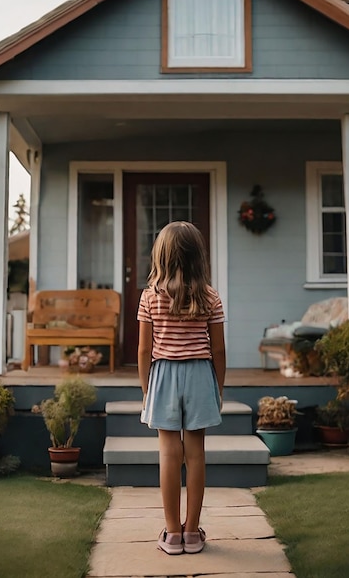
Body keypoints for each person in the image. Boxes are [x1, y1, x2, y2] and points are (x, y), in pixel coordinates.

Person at [137, 221, 226, 555]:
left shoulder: (150, 297)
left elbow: (144, 351)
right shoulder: (210, 296)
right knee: (196, 454)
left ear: (161, 256)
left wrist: (147, 390)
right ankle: (192, 532)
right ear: (197, 257)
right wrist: (218, 387)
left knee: (168, 454)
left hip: (163, 375)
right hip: (201, 374)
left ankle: (172, 534)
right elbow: (218, 349)